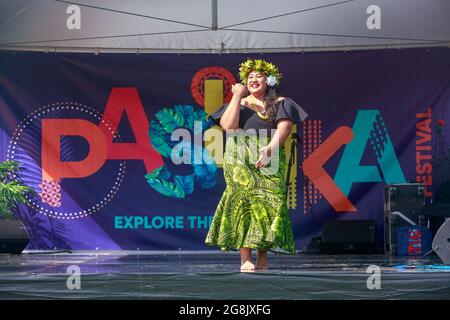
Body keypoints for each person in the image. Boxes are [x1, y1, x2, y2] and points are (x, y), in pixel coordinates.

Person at [205, 58, 308, 272]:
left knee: (268, 204)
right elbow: (228, 127)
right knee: (244, 203)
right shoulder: (238, 103)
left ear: (268, 80)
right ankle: (245, 259)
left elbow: (284, 128)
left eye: (258, 76)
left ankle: (262, 257)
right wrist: (236, 95)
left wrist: (269, 149)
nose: (253, 80)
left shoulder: (281, 102)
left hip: (269, 156)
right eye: (249, 77)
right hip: (240, 158)